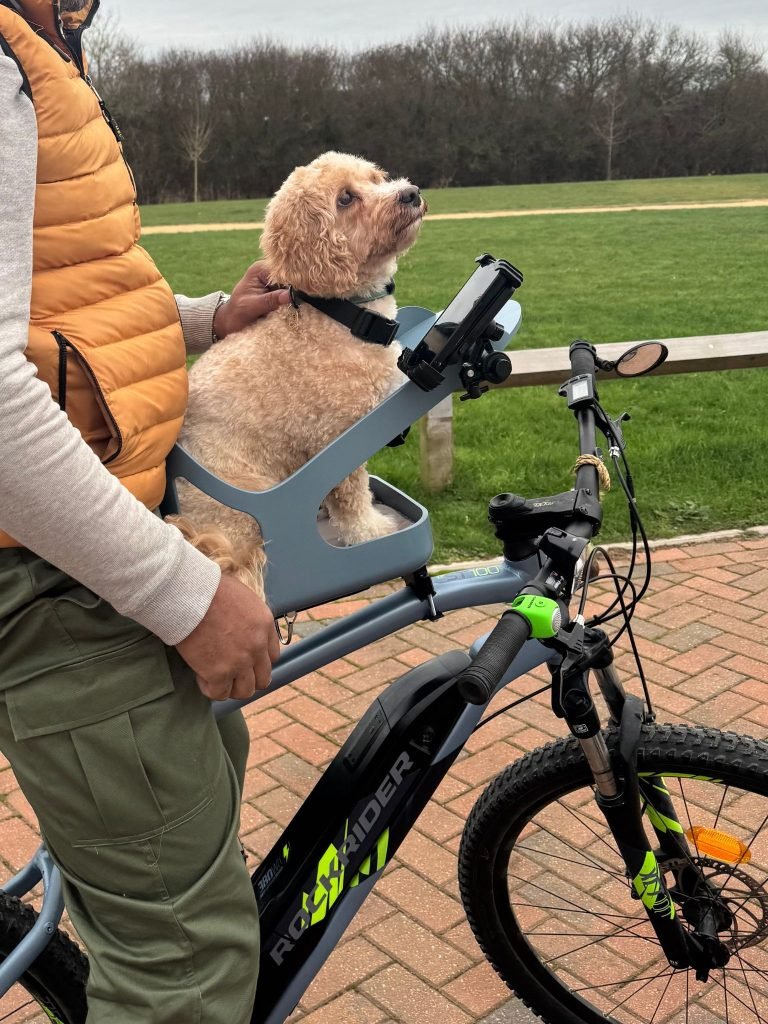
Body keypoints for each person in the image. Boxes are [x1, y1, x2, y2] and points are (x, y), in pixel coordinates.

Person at [0, 1, 291, 1020]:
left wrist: (212, 318)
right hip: (60, 584)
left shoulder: (36, 41)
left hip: (83, 555)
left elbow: (67, 302)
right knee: (184, 969)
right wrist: (187, 596)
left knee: (178, 875)